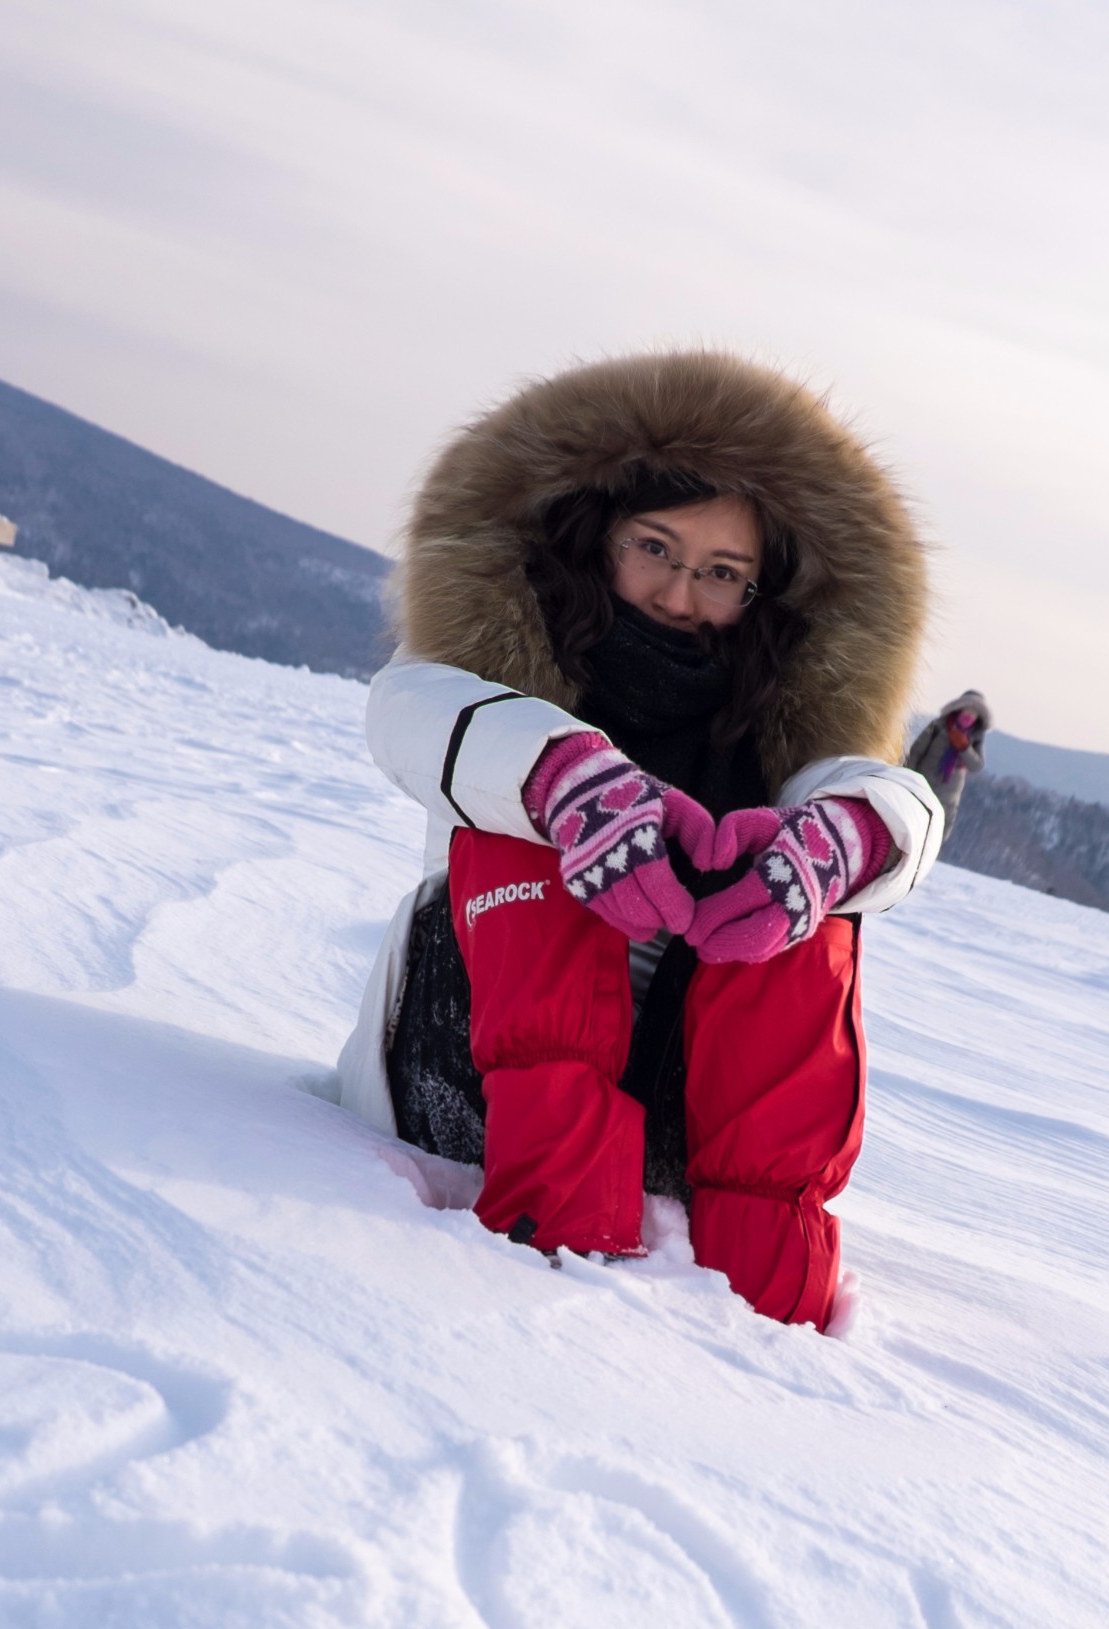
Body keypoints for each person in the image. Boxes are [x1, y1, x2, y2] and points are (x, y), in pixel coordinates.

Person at [336, 351, 944, 1331]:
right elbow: (412, 711)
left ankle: (770, 1266)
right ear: (598, 532)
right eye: (655, 548)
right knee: (529, 822)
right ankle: (557, 1208)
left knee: (808, 882)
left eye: (720, 573)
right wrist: (565, 780)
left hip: (680, 1119)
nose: (678, 593)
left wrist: (840, 839)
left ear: (761, 594)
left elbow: (892, 802)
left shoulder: (768, 722)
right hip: (469, 1083)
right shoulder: (499, 675)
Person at [905, 690, 992, 839]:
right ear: (959, 708)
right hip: (921, 784)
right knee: (909, 822)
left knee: (936, 834)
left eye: (975, 712)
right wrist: (906, 778)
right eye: (968, 709)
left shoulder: (975, 737)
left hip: (948, 794)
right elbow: (916, 752)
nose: (970, 714)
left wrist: (964, 747)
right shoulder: (939, 726)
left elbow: (977, 765)